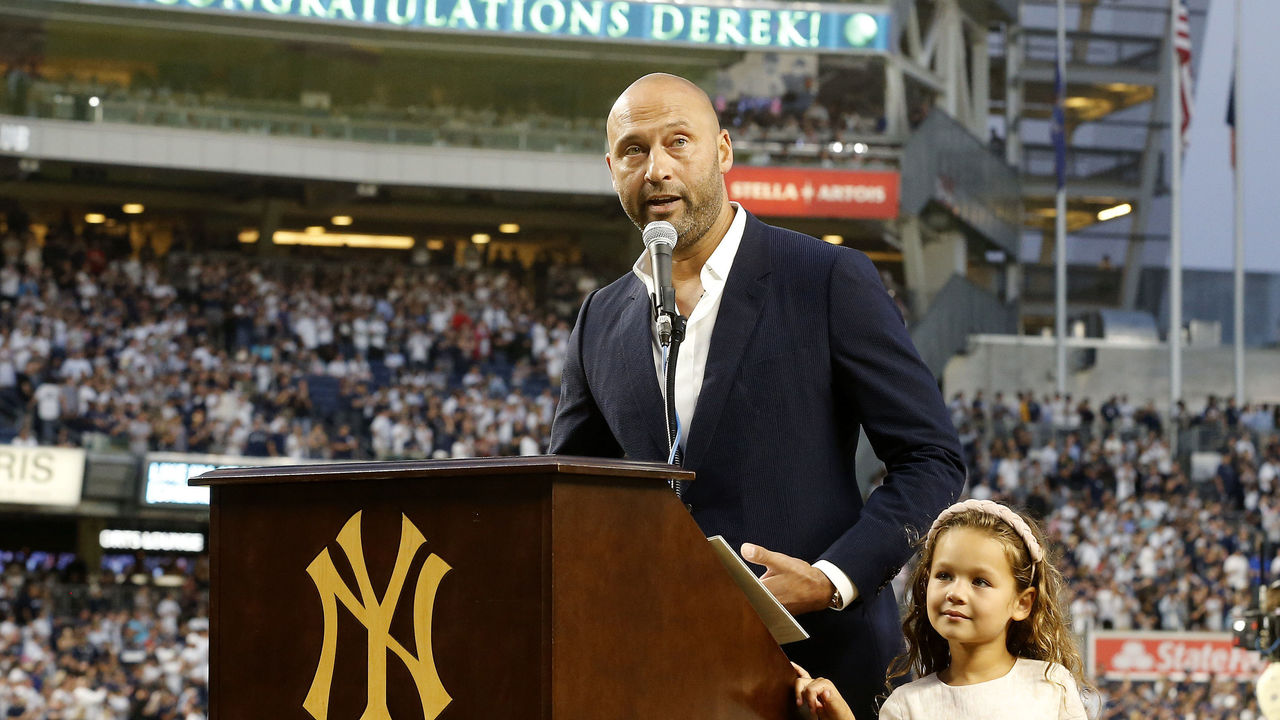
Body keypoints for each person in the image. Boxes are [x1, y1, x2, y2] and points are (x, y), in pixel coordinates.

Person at [549, 72, 964, 717]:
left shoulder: (828, 280)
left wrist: (831, 580)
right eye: (634, 150)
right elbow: (573, 497)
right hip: (658, 669)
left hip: (823, 674)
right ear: (611, 168)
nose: (656, 168)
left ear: (723, 151)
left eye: (678, 142)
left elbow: (931, 458)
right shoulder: (601, 319)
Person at [794, 499, 1090, 719]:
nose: (956, 593)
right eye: (944, 575)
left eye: (980, 581)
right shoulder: (907, 705)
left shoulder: (1052, 686)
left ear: (1022, 603)